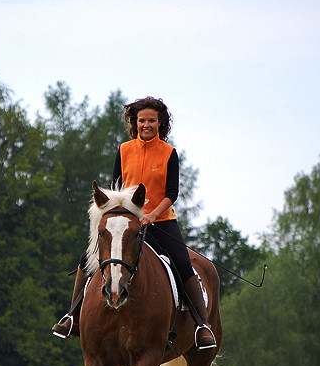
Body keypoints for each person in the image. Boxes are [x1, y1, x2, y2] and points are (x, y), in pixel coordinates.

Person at [52, 97, 217, 350]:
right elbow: (116, 186)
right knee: (87, 260)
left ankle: (202, 326)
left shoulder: (169, 153)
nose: (146, 125)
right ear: (135, 123)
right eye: (142, 120)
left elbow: (172, 192)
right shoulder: (124, 150)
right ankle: (72, 317)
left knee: (183, 263)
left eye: (151, 120)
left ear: (160, 123)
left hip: (160, 221)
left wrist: (151, 214)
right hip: (126, 222)